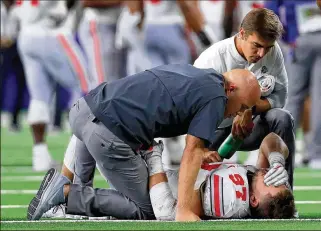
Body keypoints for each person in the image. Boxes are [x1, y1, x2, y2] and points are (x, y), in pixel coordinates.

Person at [27, 64, 261, 221]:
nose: (237, 114)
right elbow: (192, 150)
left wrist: (204, 152)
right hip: (108, 131)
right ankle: (65, 193)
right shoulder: (217, 96)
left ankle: (64, 199)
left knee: (79, 210)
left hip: (85, 108)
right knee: (146, 209)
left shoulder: (202, 74)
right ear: (230, 88)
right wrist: (184, 209)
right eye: (241, 107)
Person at [191, 8, 295, 190]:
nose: (262, 54)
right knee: (198, 191)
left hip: (250, 128)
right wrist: (201, 150)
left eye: (268, 47)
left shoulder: (273, 52)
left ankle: (283, 193)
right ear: (242, 34)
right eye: (257, 45)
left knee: (281, 117)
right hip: (211, 132)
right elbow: (194, 111)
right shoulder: (210, 61)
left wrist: (249, 109)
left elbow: (280, 97)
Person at [12, 0, 89, 172]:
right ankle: (79, 155)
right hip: (54, 32)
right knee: (85, 87)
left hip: (27, 34)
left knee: (39, 97)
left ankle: (39, 156)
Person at [146, 132, 295, 220]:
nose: (271, 174)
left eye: (273, 183)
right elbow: (271, 138)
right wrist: (277, 162)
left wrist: (153, 156)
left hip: (146, 194)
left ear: (254, 200)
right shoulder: (253, 183)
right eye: (280, 179)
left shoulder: (232, 199)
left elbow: (166, 211)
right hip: (160, 177)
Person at [265, 0, 321, 169]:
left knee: (293, 97)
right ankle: (316, 154)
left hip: (299, 39)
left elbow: (270, 11)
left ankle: (284, 151)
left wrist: (288, 37)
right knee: (318, 98)